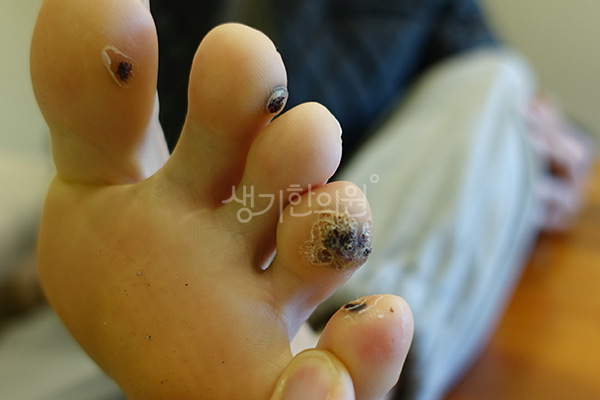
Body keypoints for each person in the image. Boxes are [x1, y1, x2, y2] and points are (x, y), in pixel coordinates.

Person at [15, 0, 593, 399]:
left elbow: (502, 94)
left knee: (496, 82)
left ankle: (322, 346)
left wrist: (563, 149)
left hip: (357, 200)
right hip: (168, 226)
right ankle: (328, 370)